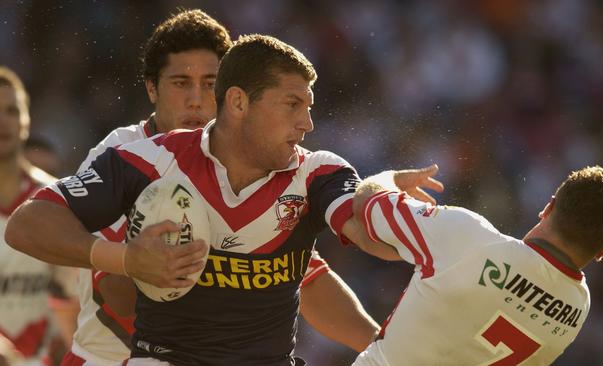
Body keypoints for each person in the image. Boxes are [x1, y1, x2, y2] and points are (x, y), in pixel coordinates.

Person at [5, 34, 441, 365]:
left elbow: (362, 232)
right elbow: (27, 224)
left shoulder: (315, 172)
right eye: (292, 104)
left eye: (309, 107)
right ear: (237, 102)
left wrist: (375, 190)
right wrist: (125, 259)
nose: (307, 123)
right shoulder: (147, 159)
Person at [348, 165, 603, 365]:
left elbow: (367, 203)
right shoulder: (578, 308)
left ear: (548, 206)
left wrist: (392, 179)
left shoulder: (470, 239)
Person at [0, 66, 78, 366]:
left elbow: (75, 296)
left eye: (11, 110)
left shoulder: (55, 197)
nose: (3, 121)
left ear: (26, 120)